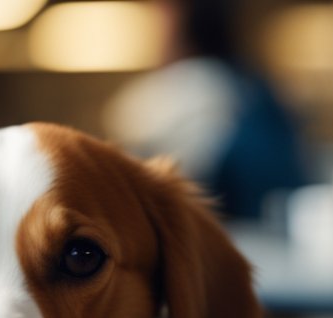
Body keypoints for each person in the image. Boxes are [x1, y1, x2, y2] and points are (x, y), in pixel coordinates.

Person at [103, 0, 306, 219]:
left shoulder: (187, 86)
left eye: (161, 14)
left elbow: (123, 141)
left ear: (184, 22)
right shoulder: (251, 85)